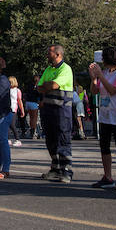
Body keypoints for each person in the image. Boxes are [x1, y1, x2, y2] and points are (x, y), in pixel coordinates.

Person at [88, 46, 116, 191]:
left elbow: (113, 91)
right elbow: (94, 91)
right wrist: (94, 78)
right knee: (104, 147)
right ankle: (107, 176)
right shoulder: (105, 72)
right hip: (105, 115)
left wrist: (100, 75)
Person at [38, 44, 74, 183]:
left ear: (58, 54)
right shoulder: (48, 69)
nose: (47, 54)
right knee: (51, 140)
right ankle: (55, 169)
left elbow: (53, 85)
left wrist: (47, 85)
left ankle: (66, 171)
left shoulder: (65, 69)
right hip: (49, 110)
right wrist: (47, 85)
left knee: (63, 139)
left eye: (50, 52)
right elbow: (39, 88)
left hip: (62, 110)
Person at [7, 77, 24, 147]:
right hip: (7, 109)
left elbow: (19, 101)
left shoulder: (17, 90)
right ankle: (8, 139)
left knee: (12, 125)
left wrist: (22, 110)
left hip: (13, 109)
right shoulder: (7, 90)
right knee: (7, 125)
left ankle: (18, 139)